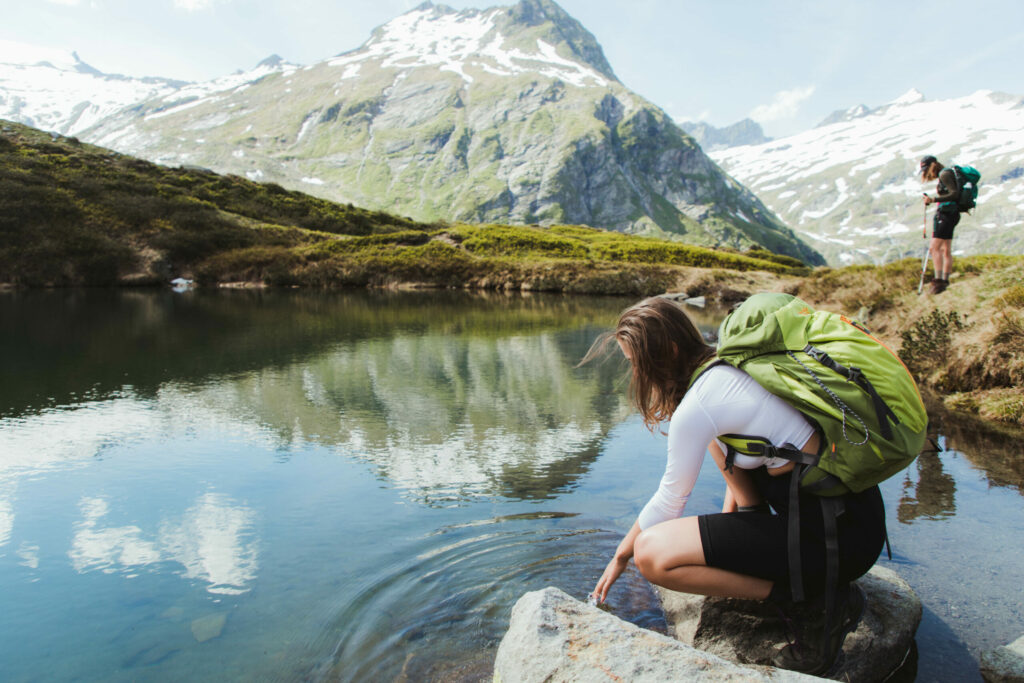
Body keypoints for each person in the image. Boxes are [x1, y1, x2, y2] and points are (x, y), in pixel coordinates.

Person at [582, 297, 885, 676]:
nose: (637, 374)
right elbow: (742, 462)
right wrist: (725, 547)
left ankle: (813, 605)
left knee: (651, 554)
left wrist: (621, 556)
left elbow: (670, 500)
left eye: (637, 363)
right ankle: (785, 576)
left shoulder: (699, 406)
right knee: (718, 444)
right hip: (856, 524)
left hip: (833, 546)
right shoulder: (730, 368)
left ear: (668, 352)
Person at [920, 155, 960, 294]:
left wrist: (933, 199)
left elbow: (954, 194)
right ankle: (945, 280)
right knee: (945, 249)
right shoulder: (946, 173)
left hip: (946, 214)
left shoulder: (945, 174)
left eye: (926, 168)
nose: (925, 173)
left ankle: (938, 282)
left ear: (932, 165)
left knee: (934, 248)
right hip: (951, 214)